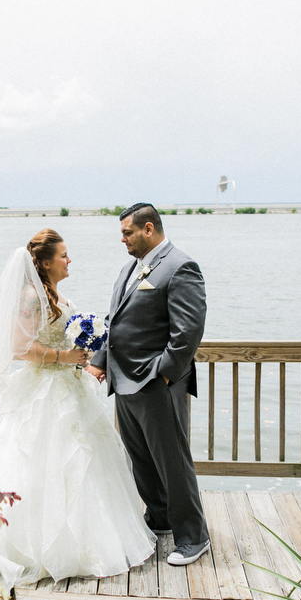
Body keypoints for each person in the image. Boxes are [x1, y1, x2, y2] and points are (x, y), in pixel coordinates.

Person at [0, 229, 156, 588]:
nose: (69, 260)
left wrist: (83, 350)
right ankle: (32, 545)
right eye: (64, 255)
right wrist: (64, 356)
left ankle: (88, 537)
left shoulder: (54, 293)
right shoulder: (29, 296)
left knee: (82, 460)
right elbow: (19, 347)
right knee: (39, 460)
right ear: (43, 262)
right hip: (42, 388)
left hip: (68, 384)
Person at [87, 203, 210, 566]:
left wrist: (164, 374)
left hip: (157, 384)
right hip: (123, 382)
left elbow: (188, 332)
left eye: (127, 233)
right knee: (141, 460)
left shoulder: (180, 266)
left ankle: (193, 537)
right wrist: (99, 362)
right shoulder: (130, 269)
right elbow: (116, 321)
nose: (122, 239)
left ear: (149, 229)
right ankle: (159, 519)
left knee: (172, 463)